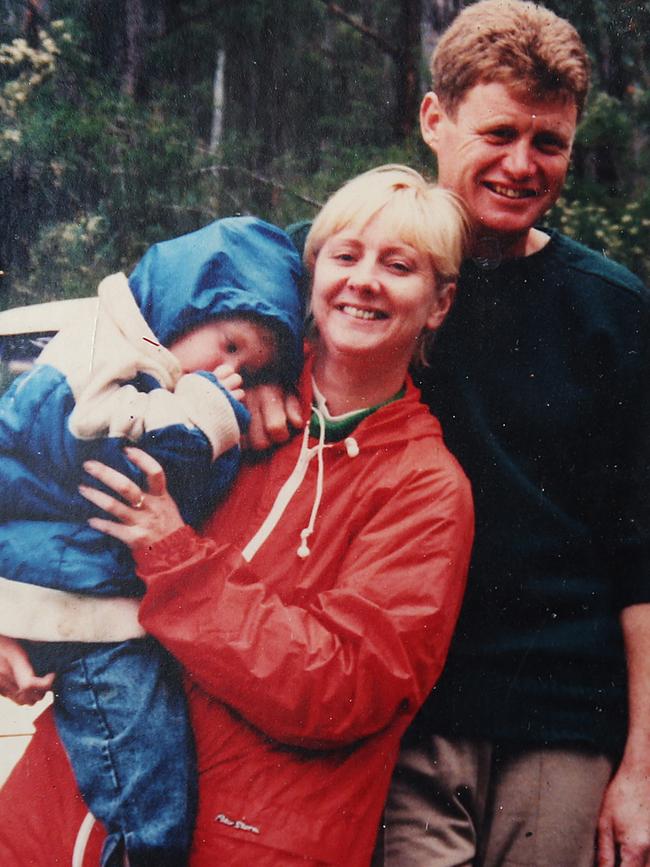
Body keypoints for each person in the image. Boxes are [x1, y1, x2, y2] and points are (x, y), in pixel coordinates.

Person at [0, 164, 474, 866]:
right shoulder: (220, 402)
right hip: (59, 812)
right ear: (311, 279)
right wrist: (14, 620)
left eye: (399, 265)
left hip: (250, 841)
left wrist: (178, 558)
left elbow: (342, 687)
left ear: (439, 303)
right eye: (344, 256)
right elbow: (43, 485)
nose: (365, 280)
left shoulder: (427, 489)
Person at [372, 3, 650, 867]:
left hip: (563, 724)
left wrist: (642, 767)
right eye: (498, 132)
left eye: (551, 142)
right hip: (400, 717)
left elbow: (643, 559)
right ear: (434, 119)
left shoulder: (613, 311)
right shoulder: (360, 278)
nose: (522, 165)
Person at [0, 215, 304, 867]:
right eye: (226, 344)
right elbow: (97, 443)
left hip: (87, 599)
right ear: (186, 307)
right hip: (84, 614)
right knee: (151, 813)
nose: (230, 373)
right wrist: (207, 408)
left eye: (248, 368)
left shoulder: (151, 375)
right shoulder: (105, 355)